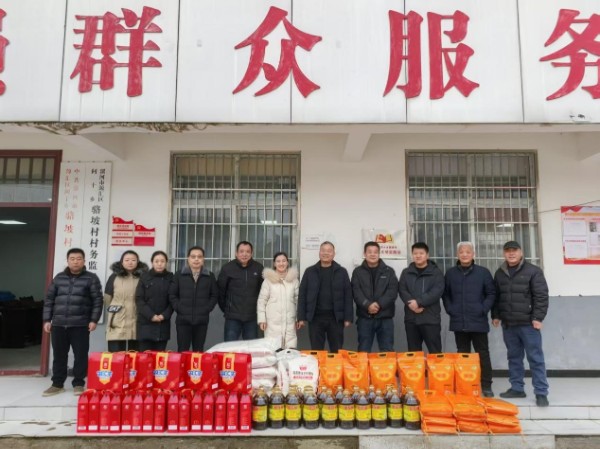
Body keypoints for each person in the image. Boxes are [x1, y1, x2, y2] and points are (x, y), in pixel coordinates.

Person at [493, 241, 550, 407]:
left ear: (521, 252)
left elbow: (541, 296)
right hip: (509, 324)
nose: (511, 254)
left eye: (514, 250)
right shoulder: (500, 273)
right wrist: (496, 315)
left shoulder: (533, 271)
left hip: (528, 324)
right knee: (514, 357)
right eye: (508, 251)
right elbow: (496, 296)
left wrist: (538, 318)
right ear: (504, 253)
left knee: (535, 358)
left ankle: (541, 392)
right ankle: (517, 388)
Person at [42, 248, 103, 396]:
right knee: (59, 355)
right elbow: (49, 300)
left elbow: (97, 301)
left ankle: (79, 383)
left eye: (79, 259)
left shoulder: (91, 278)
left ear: (84, 261)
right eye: (72, 259)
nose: (75, 262)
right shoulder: (59, 278)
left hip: (80, 324)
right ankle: (57, 384)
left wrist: (94, 320)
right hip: (58, 324)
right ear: (67, 261)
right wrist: (47, 319)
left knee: (80, 355)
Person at [443, 241, 496, 397]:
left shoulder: (483, 272)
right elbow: (445, 294)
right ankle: (464, 384)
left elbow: (491, 293)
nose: (464, 254)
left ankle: (486, 385)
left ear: (473, 254)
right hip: (459, 320)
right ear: (457, 255)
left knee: (482, 353)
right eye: (461, 252)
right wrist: (450, 309)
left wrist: (483, 309)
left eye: (468, 252)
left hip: (478, 320)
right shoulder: (450, 273)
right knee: (462, 354)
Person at [297, 241, 353, 352]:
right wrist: (301, 317)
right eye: (323, 250)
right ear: (319, 253)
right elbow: (302, 295)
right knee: (316, 351)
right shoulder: (310, 271)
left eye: (329, 251)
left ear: (334, 254)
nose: (326, 253)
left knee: (336, 350)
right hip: (315, 318)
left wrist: (348, 318)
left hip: (335, 318)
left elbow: (348, 295)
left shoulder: (341, 272)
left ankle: (335, 364)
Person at [351, 241, 399, 352]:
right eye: (370, 252)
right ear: (365, 254)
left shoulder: (389, 271)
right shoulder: (357, 272)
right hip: (365, 318)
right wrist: (367, 305)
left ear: (379, 253)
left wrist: (379, 304)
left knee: (387, 351)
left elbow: (392, 291)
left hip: (385, 317)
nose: (373, 254)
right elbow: (356, 291)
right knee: (363, 351)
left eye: (375, 252)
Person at [169, 246, 219, 351]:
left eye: (199, 257)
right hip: (183, 320)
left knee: (198, 350)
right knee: (183, 350)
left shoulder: (209, 276)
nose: (196, 259)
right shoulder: (179, 275)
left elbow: (214, 295)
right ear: (188, 258)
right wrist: (180, 308)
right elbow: (172, 295)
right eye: (193, 257)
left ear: (203, 259)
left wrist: (207, 309)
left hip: (201, 320)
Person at [398, 242, 445, 353]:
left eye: (421, 253)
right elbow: (402, 289)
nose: (418, 256)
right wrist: (411, 304)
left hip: (430, 318)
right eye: (415, 253)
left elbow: (437, 291)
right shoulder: (406, 272)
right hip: (411, 318)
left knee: (435, 353)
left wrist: (418, 302)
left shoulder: (436, 272)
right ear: (412, 255)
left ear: (427, 255)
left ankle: (435, 366)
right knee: (414, 353)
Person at [218, 241, 264, 341]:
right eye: (241, 251)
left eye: (248, 251)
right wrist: (228, 309)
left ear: (251, 253)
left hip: (252, 317)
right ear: (236, 253)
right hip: (232, 318)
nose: (244, 254)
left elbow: (262, 292)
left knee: (251, 347)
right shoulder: (227, 268)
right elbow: (221, 292)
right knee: (230, 347)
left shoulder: (258, 268)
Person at [105, 250, 148, 352]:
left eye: (133, 260)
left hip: (137, 317)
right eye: (127, 260)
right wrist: (117, 308)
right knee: (116, 355)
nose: (130, 262)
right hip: (118, 318)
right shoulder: (114, 277)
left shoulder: (144, 277)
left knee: (136, 354)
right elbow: (107, 298)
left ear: (138, 262)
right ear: (122, 262)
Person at [257, 252, 299, 349]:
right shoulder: (268, 281)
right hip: (272, 323)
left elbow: (298, 300)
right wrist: (262, 319)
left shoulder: (294, 280)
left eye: (284, 261)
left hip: (290, 322)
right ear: (274, 264)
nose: (281, 263)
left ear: (287, 263)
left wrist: (298, 318)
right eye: (278, 261)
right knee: (274, 350)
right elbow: (262, 301)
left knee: (289, 351)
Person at [136, 250, 174, 351]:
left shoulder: (171, 278)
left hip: (162, 323)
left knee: (159, 357)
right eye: (156, 261)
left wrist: (164, 315)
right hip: (146, 322)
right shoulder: (144, 277)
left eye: (162, 261)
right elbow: (139, 299)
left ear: (166, 262)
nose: (159, 264)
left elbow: (173, 300)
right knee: (145, 357)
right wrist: (151, 315)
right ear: (152, 262)